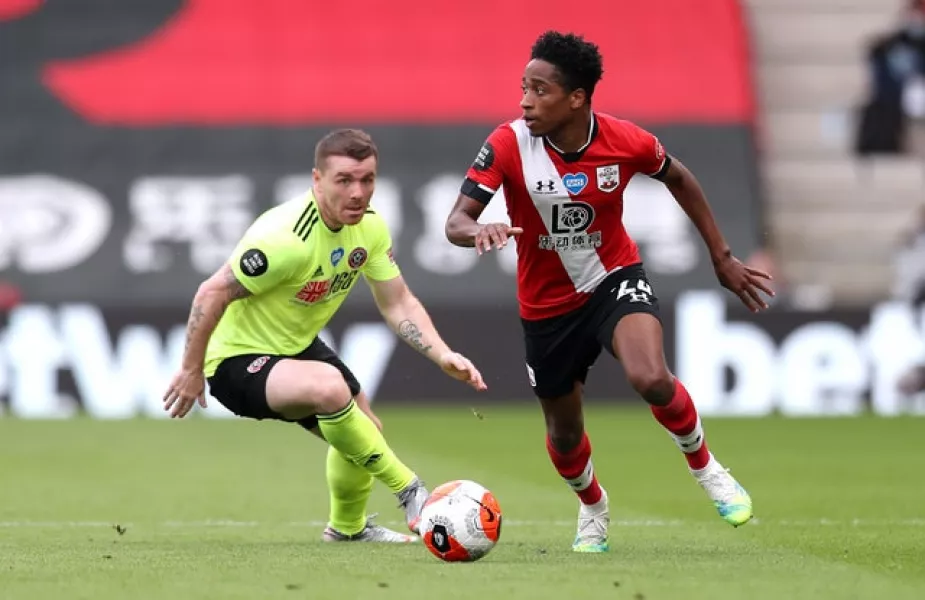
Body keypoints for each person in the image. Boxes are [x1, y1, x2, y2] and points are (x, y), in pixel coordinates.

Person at [445, 31, 774, 553]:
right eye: (523, 88)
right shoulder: (508, 144)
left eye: (540, 90)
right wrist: (477, 231)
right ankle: (593, 506)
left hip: (612, 277)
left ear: (577, 98)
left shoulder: (627, 141)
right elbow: (455, 221)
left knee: (650, 376)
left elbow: (680, 178)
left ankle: (708, 470)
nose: (525, 101)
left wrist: (722, 255)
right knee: (564, 434)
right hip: (546, 305)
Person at [164, 128, 487, 543]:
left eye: (367, 179)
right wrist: (191, 369)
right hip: (235, 361)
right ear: (317, 179)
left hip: (294, 346)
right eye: (344, 180)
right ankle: (412, 491)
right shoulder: (285, 239)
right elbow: (212, 292)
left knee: (365, 429)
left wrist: (442, 354)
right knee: (332, 389)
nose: (358, 192)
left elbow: (398, 302)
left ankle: (348, 530)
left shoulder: (369, 229)